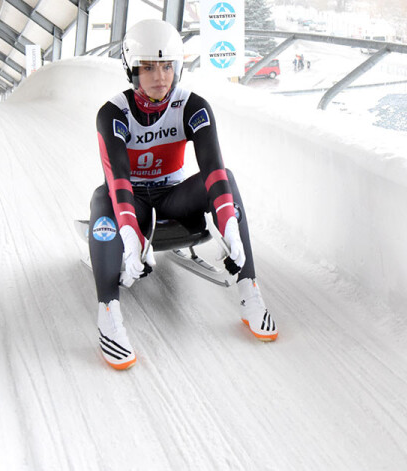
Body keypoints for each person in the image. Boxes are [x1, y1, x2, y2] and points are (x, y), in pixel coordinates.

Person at [88, 19, 278, 370]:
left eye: (167, 66)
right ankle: (108, 314)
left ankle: (249, 289)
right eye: (148, 67)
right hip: (135, 202)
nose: (160, 77)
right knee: (101, 199)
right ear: (132, 69)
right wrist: (130, 237)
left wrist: (230, 227)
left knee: (229, 179)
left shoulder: (194, 105)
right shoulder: (112, 113)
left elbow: (214, 170)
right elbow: (118, 182)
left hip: (174, 197)